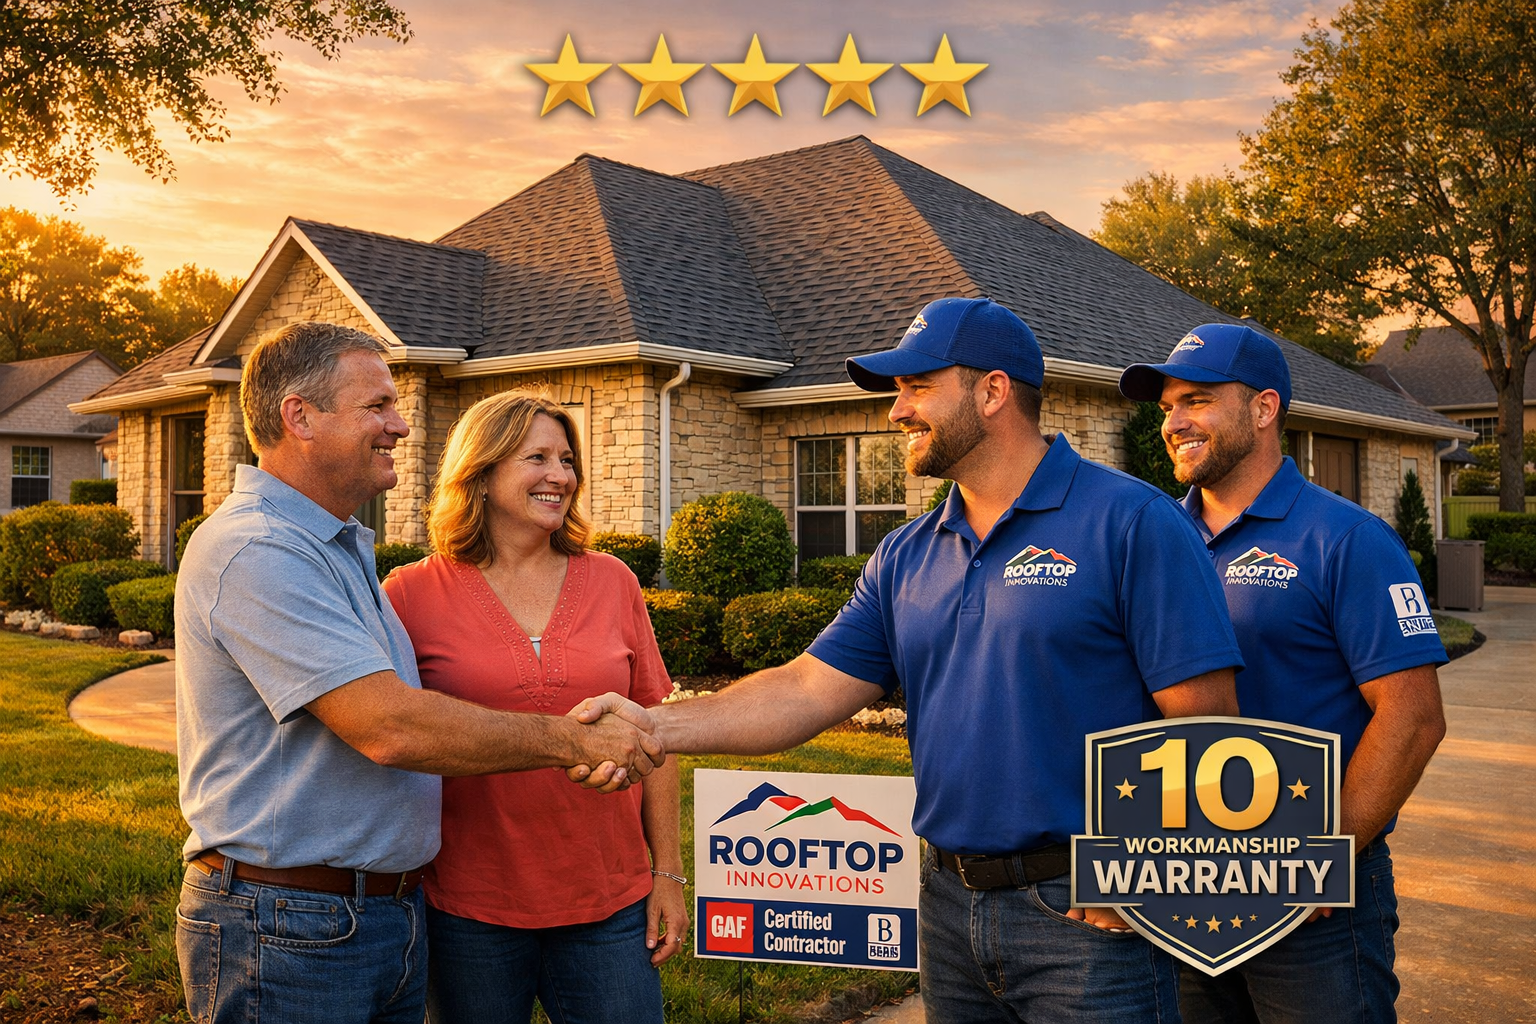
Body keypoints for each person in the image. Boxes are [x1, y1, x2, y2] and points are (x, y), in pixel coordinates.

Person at [578, 297, 1247, 1022]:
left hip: (1086, 915)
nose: (896, 412)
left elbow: (1206, 720)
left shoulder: (1132, 522)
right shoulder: (907, 552)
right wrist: (654, 725)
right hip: (948, 908)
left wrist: (1136, 866)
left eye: (917, 386)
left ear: (993, 391)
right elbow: (805, 688)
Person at [173, 322, 663, 1024]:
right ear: (299, 417)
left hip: (379, 917)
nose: (399, 426)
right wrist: (576, 740)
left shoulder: (335, 548)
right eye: (377, 406)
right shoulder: (258, 549)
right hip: (291, 924)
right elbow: (390, 726)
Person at [1119, 322, 1447, 1024]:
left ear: (1264, 409)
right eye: (1168, 406)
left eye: (1197, 400)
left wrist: (1322, 857)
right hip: (1182, 884)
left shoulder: (1348, 539)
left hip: (1314, 908)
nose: (1175, 422)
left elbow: (1414, 716)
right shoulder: (1149, 540)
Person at [380, 390, 686, 1024]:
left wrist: (668, 874)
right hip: (469, 909)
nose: (560, 476)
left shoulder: (613, 581)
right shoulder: (410, 594)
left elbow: (656, 734)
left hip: (610, 902)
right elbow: (396, 732)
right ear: (483, 473)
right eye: (536, 457)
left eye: (567, 460)